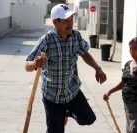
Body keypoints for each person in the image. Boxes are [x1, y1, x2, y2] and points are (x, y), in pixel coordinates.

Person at [25, 4, 107, 133]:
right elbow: (27, 66)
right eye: (65, 21)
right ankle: (60, 115)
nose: (70, 24)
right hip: (53, 97)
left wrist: (97, 68)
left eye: (71, 20)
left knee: (89, 119)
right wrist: (35, 63)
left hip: (72, 92)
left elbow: (84, 53)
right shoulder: (46, 40)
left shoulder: (75, 36)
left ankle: (66, 112)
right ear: (55, 22)